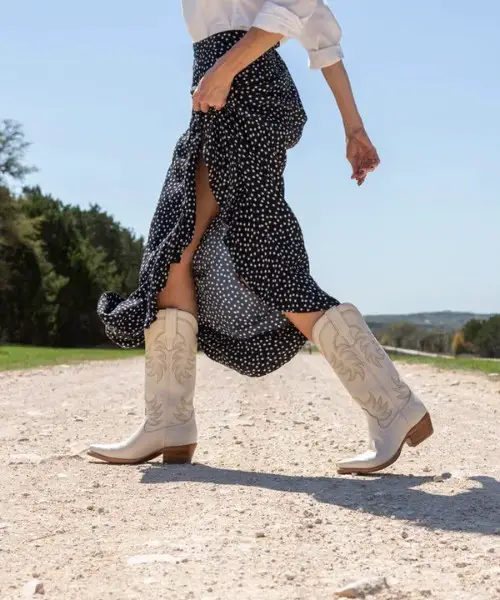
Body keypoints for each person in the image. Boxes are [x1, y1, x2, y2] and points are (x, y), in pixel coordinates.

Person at [89, 0, 433, 474]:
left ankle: (393, 407)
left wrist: (225, 69)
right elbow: (321, 31)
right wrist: (354, 128)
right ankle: (168, 423)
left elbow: (295, 6)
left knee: (257, 257)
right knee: (176, 248)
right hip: (230, 90)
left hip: (242, 90)